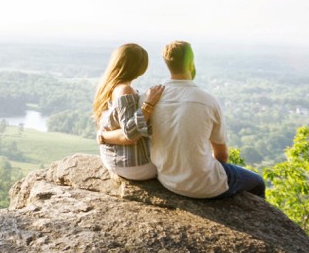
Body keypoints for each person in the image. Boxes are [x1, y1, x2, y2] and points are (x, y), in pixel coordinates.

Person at [148, 40, 266, 199]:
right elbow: (222, 156)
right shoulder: (208, 101)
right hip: (205, 186)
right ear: (191, 62)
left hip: (168, 181)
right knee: (258, 182)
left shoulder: (151, 98)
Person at [92, 42, 162, 181]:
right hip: (134, 165)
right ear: (140, 68)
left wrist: (103, 136)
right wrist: (149, 104)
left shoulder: (108, 86)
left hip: (114, 159)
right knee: (179, 166)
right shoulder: (124, 90)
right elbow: (130, 134)